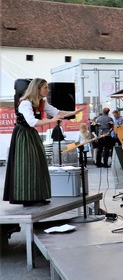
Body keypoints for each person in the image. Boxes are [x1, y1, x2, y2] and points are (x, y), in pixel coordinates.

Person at [3, 78, 81, 206]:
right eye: (45, 87)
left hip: (31, 134)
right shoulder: (25, 103)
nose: (48, 90)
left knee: (39, 164)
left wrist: (73, 112)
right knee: (27, 165)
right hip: (23, 136)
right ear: (37, 89)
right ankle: (26, 198)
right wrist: (52, 120)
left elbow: (57, 112)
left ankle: (37, 196)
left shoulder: (41, 102)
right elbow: (32, 122)